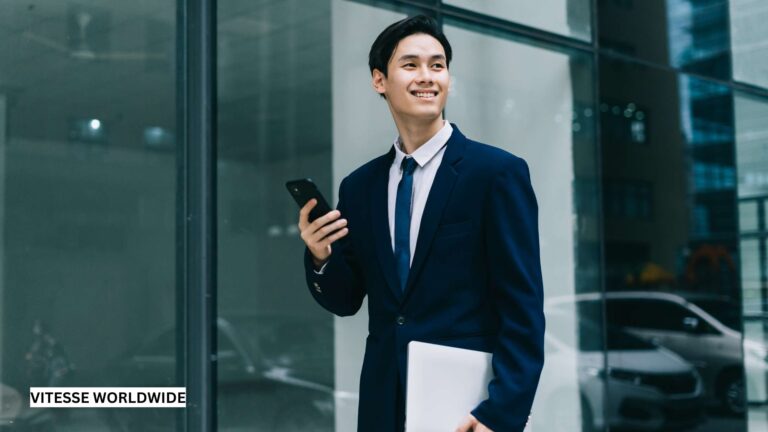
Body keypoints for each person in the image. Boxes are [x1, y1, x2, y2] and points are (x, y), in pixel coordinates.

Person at [297, 15, 544, 432]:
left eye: (438, 64)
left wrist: (502, 413)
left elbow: (522, 308)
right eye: (410, 65)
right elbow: (346, 300)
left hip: (466, 408)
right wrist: (321, 255)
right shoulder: (359, 187)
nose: (427, 76)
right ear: (380, 80)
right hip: (382, 406)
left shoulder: (496, 173)